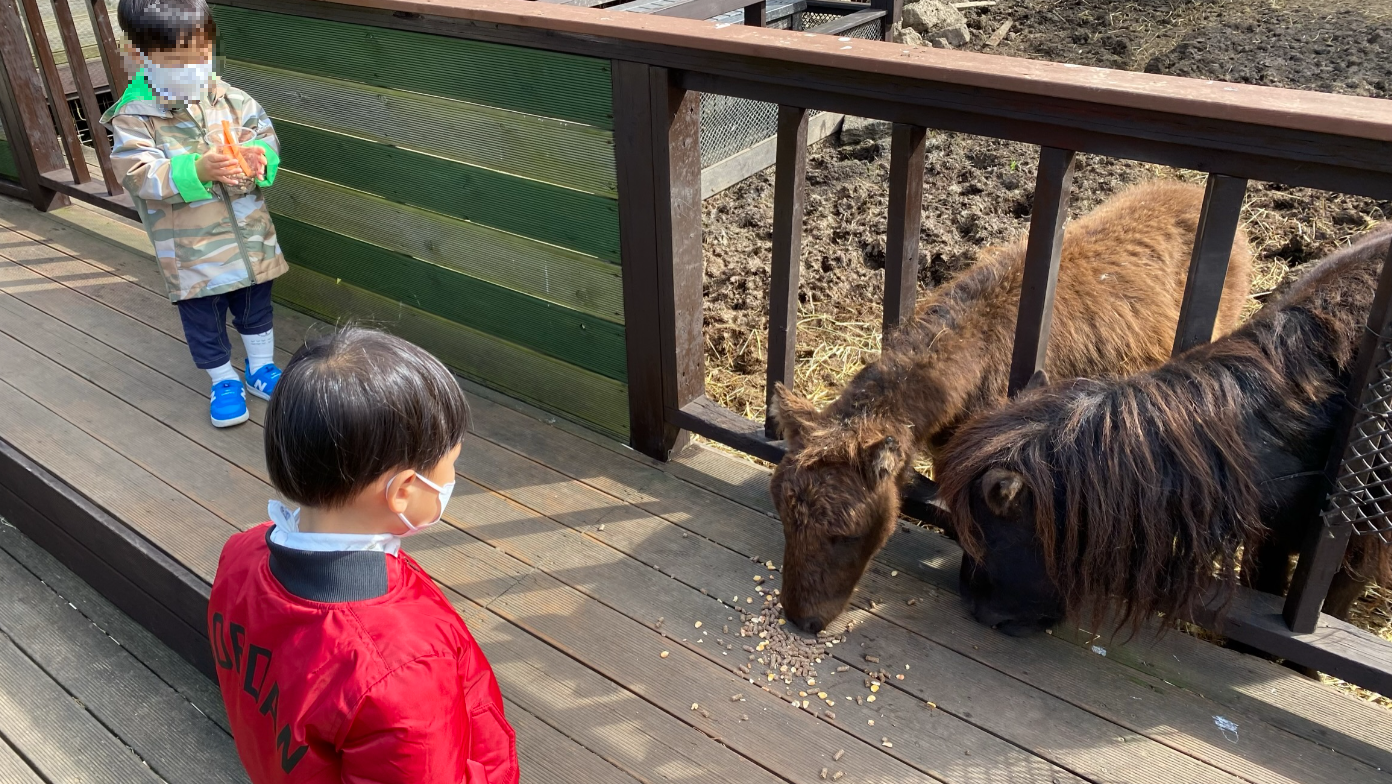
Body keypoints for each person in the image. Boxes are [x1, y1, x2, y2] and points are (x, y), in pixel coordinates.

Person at [207, 327, 519, 783]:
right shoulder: (402, 667)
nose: (452, 479)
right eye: (450, 464)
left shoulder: (241, 553)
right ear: (403, 491)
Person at [103, 0, 287, 427]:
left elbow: (266, 139)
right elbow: (138, 174)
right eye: (176, 60)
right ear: (139, 57)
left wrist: (260, 161)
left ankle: (261, 369)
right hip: (190, 250)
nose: (194, 68)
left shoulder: (234, 99)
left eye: (201, 55)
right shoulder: (135, 117)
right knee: (204, 321)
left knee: (256, 307)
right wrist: (197, 169)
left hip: (248, 237)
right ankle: (222, 379)